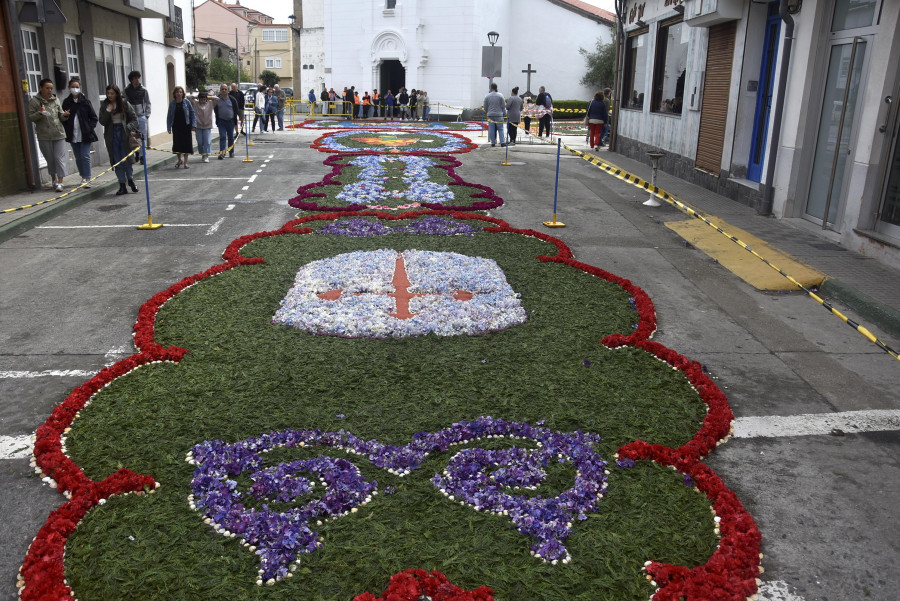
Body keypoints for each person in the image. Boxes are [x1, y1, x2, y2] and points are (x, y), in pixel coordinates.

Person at [27, 78, 69, 193]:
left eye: (51, 88)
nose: (50, 90)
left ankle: (60, 183)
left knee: (59, 158)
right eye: (47, 88)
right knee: (50, 160)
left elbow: (60, 115)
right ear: (41, 88)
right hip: (44, 135)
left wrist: (65, 115)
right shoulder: (34, 101)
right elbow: (31, 117)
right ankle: (54, 179)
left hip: (58, 133)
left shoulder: (56, 100)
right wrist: (40, 112)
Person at [99, 84, 138, 195]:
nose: (110, 95)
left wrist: (128, 128)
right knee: (117, 160)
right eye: (108, 93)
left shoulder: (124, 103)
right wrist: (108, 110)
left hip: (124, 133)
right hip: (112, 135)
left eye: (112, 93)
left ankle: (130, 180)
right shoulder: (105, 105)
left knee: (127, 159)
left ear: (117, 93)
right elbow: (102, 121)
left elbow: (134, 119)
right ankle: (122, 185)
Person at [61, 77, 98, 188]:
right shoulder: (66, 102)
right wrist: (65, 117)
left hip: (85, 134)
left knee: (85, 156)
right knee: (78, 157)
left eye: (77, 87)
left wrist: (89, 128)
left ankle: (87, 178)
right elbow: (62, 117)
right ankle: (82, 176)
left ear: (80, 87)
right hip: (73, 134)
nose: (75, 89)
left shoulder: (85, 102)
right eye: (73, 87)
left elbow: (94, 118)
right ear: (69, 88)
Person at [124, 70, 151, 164]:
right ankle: (136, 154)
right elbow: (125, 103)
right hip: (131, 118)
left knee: (142, 136)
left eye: (138, 77)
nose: (137, 79)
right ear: (131, 80)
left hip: (141, 116)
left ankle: (143, 156)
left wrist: (147, 115)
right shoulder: (127, 90)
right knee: (133, 137)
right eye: (135, 78)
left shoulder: (144, 90)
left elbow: (148, 102)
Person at [166, 85, 196, 168]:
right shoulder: (172, 103)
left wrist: (193, 124)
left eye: (180, 92)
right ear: (174, 94)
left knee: (186, 144)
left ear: (183, 93)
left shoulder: (186, 102)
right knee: (177, 144)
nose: (179, 93)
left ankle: (186, 162)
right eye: (177, 92)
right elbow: (169, 116)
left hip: (186, 126)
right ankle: (179, 159)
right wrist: (169, 127)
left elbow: (192, 113)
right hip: (176, 126)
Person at [190, 91, 216, 162]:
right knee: (200, 142)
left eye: (204, 98)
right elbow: (189, 98)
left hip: (207, 126)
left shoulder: (210, 104)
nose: (203, 100)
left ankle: (206, 155)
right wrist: (196, 97)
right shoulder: (195, 104)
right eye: (201, 98)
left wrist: (209, 97)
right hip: (198, 126)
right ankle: (202, 153)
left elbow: (217, 99)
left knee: (207, 141)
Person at [215, 84, 239, 159]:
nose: (224, 91)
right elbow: (215, 110)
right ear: (220, 90)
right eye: (222, 89)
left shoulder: (232, 100)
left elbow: (235, 111)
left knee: (231, 137)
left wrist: (235, 123)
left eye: (225, 89)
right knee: (222, 137)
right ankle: (222, 153)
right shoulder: (217, 100)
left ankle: (231, 152)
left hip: (230, 121)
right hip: (221, 121)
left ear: (228, 91)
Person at [483, 82, 507, 147]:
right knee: (500, 128)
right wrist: (503, 112)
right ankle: (502, 142)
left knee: (491, 128)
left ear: (491, 88)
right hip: (499, 114)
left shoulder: (487, 96)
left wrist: (488, 111)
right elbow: (503, 105)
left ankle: (493, 142)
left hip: (490, 114)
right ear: (496, 88)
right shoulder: (500, 95)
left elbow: (485, 106)